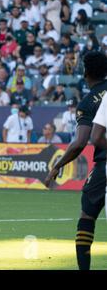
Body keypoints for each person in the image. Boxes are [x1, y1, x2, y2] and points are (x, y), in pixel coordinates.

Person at [44, 51, 107, 270]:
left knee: (87, 215)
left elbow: (81, 142)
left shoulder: (88, 102)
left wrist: (57, 165)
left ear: (85, 72)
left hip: (105, 166)